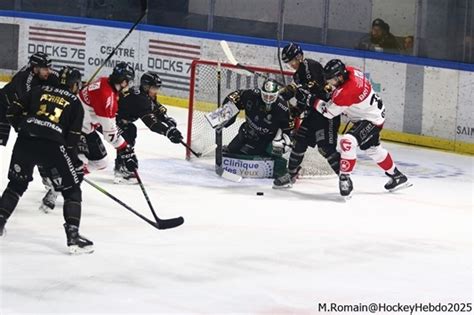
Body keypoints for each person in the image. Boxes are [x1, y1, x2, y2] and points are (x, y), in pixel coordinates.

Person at [0, 66, 94, 254]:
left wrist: (24, 129)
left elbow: (11, 112)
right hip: (53, 146)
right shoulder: (75, 102)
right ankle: (73, 237)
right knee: (72, 189)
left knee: (16, 186)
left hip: (25, 142)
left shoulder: (38, 90)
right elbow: (72, 140)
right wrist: (72, 164)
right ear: (75, 85)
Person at [40, 62, 138, 211]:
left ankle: (62, 176)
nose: (128, 86)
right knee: (81, 161)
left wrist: (125, 147)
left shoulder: (104, 81)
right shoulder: (107, 98)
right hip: (75, 128)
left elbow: (104, 122)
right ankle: (57, 187)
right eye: (128, 82)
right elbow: (110, 135)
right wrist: (125, 149)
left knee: (101, 162)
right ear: (123, 81)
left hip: (81, 124)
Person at [316, 59, 411, 197]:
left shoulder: (347, 91)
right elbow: (341, 92)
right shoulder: (352, 71)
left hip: (370, 119)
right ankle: (398, 177)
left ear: (340, 76)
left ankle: (345, 179)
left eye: (331, 80)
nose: (330, 83)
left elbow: (329, 112)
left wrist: (312, 100)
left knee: (348, 141)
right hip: (373, 114)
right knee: (372, 149)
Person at [273, 42, 341, 188]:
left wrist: (295, 89)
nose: (291, 64)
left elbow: (315, 89)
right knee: (299, 142)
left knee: (325, 149)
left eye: (292, 60)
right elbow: (304, 99)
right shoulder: (297, 75)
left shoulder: (309, 65)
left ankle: (344, 177)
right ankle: (290, 174)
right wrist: (296, 109)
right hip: (312, 114)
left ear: (299, 56)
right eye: (288, 62)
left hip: (326, 113)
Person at [209, 79, 293, 178]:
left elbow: (288, 128)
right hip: (246, 132)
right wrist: (225, 110)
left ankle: (267, 155)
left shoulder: (283, 107)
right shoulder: (252, 95)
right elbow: (236, 96)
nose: (268, 99)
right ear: (261, 92)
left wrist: (285, 141)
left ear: (277, 95)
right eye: (265, 95)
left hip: (264, 140)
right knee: (229, 153)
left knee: (245, 155)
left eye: (271, 96)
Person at [115, 71, 183, 183]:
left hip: (118, 119)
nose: (156, 91)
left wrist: (166, 119)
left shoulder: (144, 94)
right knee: (127, 135)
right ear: (146, 87)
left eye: (157, 88)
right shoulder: (140, 99)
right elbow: (152, 124)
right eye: (154, 88)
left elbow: (155, 108)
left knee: (130, 130)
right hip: (109, 119)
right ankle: (121, 169)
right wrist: (168, 131)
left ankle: (122, 166)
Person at [0, 52, 59, 146]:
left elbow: (60, 77)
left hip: (16, 108)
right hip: (3, 107)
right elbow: (32, 104)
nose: (49, 71)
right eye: (45, 68)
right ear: (35, 69)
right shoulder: (25, 80)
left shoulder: (40, 73)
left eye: (49, 68)